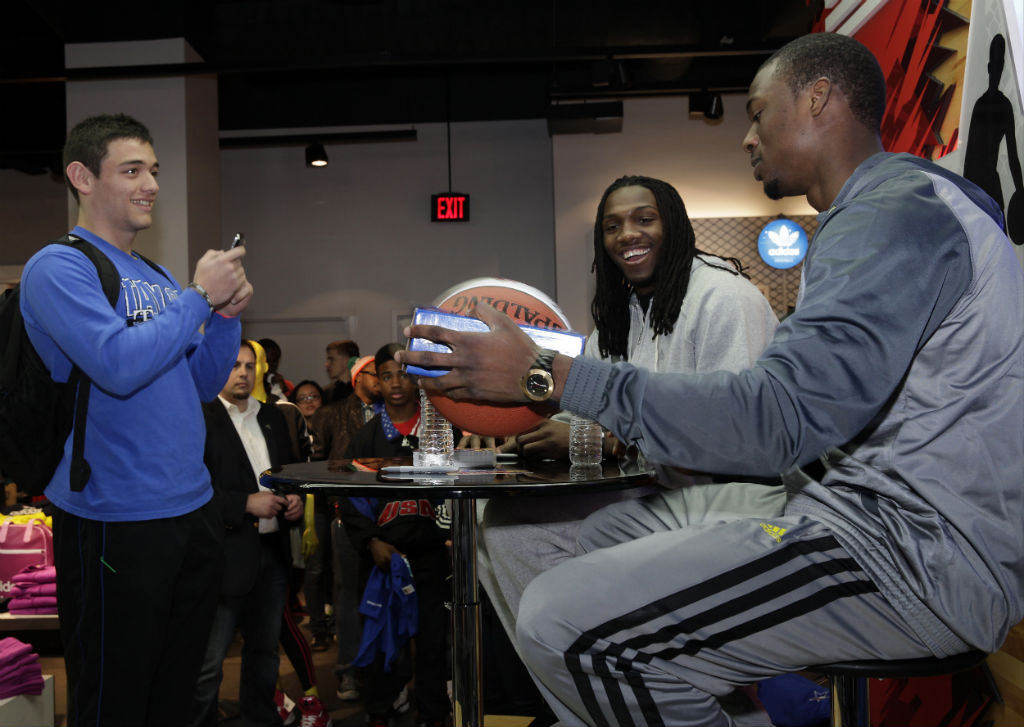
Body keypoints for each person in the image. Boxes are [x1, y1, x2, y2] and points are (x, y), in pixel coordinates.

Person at [398, 32, 1024, 726]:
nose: (748, 138)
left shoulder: (894, 213)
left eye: (759, 113)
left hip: (912, 559)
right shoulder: (872, 216)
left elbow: (774, 420)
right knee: (572, 547)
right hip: (852, 520)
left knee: (560, 620)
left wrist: (547, 374)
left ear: (817, 98)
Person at [18, 113, 252, 726]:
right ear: (81, 177)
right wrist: (199, 297)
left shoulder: (158, 276)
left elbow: (200, 385)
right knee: (115, 699)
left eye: (153, 170)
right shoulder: (58, 267)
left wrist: (223, 318)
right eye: (131, 170)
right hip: (114, 516)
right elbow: (117, 366)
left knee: (178, 695)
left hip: (190, 509)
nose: (150, 183)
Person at [479, 174, 782, 641]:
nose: (628, 235)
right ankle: (593, 677)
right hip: (654, 491)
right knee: (500, 525)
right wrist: (527, 429)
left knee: (516, 532)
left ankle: (614, 671)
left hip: (724, 504)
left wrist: (602, 441)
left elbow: (737, 436)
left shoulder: (726, 299)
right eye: (612, 226)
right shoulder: (621, 315)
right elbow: (584, 408)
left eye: (645, 219)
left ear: (676, 226)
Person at [193, 341, 313, 726]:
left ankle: (261, 719)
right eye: (233, 365)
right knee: (209, 663)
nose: (243, 373)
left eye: (249, 365)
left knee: (264, 653)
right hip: (222, 556)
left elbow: (287, 472)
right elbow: (189, 490)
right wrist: (243, 503)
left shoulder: (273, 417)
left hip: (272, 552)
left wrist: (293, 498)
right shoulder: (200, 416)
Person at [340, 343, 453, 727]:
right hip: (383, 559)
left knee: (435, 644)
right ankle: (379, 711)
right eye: (386, 375)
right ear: (378, 382)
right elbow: (349, 499)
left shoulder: (441, 429)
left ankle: (434, 714)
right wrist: (371, 541)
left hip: (435, 556)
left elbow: (461, 487)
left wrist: (456, 536)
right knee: (384, 642)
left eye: (403, 374)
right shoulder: (365, 438)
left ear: (417, 378)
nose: (396, 383)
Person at [323, 339, 360, 404]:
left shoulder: (364, 390)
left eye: (331, 359)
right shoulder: (325, 393)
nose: (326, 364)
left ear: (347, 360)